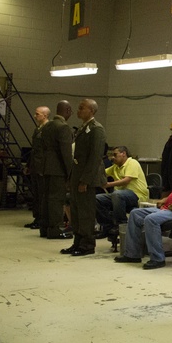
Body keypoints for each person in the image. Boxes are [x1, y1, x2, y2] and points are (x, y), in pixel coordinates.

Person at [116, 175, 172, 269]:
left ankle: (157, 258)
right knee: (135, 213)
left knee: (151, 219)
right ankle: (132, 255)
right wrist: (165, 200)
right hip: (168, 208)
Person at [61, 99, 106, 256]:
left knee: (86, 212)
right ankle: (77, 242)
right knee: (76, 211)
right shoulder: (83, 128)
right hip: (77, 175)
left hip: (86, 178)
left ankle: (87, 245)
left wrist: (85, 180)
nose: (78, 111)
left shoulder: (96, 129)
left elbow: (95, 158)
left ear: (91, 111)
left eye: (81, 108)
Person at [95, 146, 149, 248]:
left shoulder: (132, 163)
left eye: (115, 155)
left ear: (123, 153)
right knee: (97, 199)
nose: (113, 158)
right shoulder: (116, 167)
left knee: (117, 194)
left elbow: (126, 180)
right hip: (120, 197)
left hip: (136, 195)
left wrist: (108, 184)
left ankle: (120, 225)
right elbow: (102, 173)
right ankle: (108, 226)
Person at [40, 100, 74, 240]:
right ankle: (55, 229)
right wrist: (70, 172)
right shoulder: (63, 127)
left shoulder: (47, 126)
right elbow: (66, 153)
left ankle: (45, 228)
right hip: (58, 169)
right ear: (67, 111)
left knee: (46, 199)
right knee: (56, 200)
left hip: (46, 166)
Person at [24, 106, 50, 230]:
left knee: (41, 194)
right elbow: (34, 150)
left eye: (37, 114)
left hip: (42, 167)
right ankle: (37, 217)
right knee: (35, 194)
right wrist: (29, 165)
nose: (35, 116)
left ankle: (42, 219)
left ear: (45, 115)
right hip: (35, 165)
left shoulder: (48, 129)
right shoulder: (38, 129)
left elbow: (46, 151)